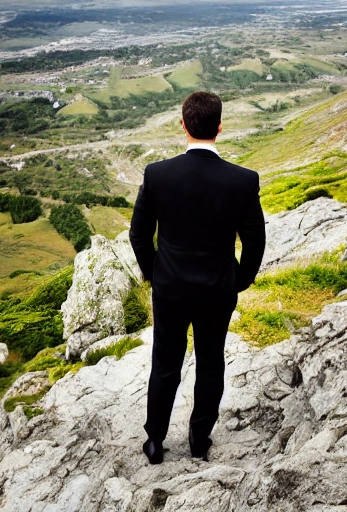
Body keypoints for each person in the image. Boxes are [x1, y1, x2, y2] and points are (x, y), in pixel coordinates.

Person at [129, 91, 266, 464]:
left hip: (170, 287)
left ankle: (155, 442)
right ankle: (199, 439)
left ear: (183, 125)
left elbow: (139, 235)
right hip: (217, 289)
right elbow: (255, 241)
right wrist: (239, 279)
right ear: (219, 128)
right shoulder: (242, 180)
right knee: (210, 362)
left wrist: (154, 273)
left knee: (165, 365)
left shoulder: (158, 174)